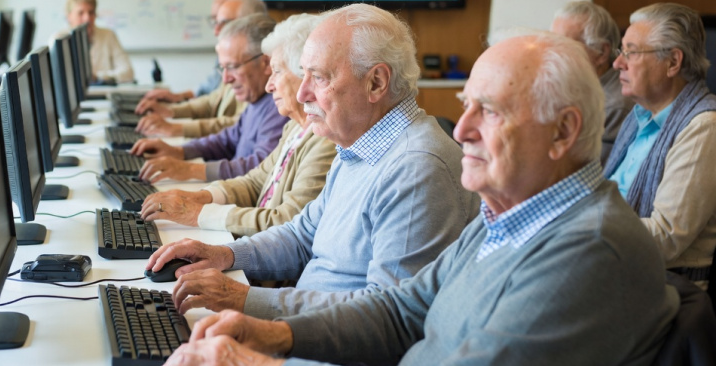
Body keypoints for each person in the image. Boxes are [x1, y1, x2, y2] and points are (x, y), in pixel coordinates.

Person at [167, 32, 680, 366]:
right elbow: (401, 310)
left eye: (491, 111)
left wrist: (249, 360)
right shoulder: (506, 214)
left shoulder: (590, 250)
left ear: (563, 132)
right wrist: (273, 334)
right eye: (466, 107)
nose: (464, 129)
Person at [146, 3, 478, 320]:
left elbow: (387, 315)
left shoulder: (416, 168)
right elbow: (303, 235)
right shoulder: (358, 143)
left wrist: (244, 299)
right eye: (303, 75)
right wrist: (223, 255)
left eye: (318, 78)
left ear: (376, 82)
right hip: (301, 327)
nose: (303, 93)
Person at [138, 14, 336, 237]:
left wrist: (199, 213)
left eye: (277, 72)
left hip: (263, 251)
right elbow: (255, 181)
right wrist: (199, 197)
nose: (270, 85)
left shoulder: (326, 139)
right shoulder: (294, 127)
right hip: (253, 240)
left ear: (306, 75)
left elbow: (287, 223)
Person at [604, 2, 716, 289]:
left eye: (630, 52)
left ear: (673, 62)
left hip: (663, 287)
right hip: (614, 264)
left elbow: (666, 236)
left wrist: (578, 226)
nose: (618, 62)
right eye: (621, 52)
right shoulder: (638, 116)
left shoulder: (703, 127)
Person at [129, 14, 288, 182]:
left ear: (265, 63)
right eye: (223, 69)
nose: (226, 79)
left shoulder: (279, 106)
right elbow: (227, 140)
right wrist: (179, 152)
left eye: (232, 67)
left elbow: (260, 168)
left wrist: (190, 169)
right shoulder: (258, 100)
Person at [135, 0, 269, 138]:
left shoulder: (258, 68)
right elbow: (213, 100)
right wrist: (172, 112)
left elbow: (237, 125)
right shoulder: (231, 60)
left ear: (249, 24)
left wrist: (178, 128)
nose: (216, 31)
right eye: (214, 22)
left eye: (224, 23)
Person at [551, 0, 634, 163]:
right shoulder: (574, 86)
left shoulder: (614, 106)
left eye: (564, 45)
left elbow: (589, 174)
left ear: (601, 53)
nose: (553, 54)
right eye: (552, 42)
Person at [52, 0, 134, 83]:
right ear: (69, 16)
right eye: (81, 13)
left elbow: (128, 72)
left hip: (103, 93)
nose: (87, 18)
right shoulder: (59, 39)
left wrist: (99, 77)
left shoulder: (108, 35)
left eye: (91, 12)